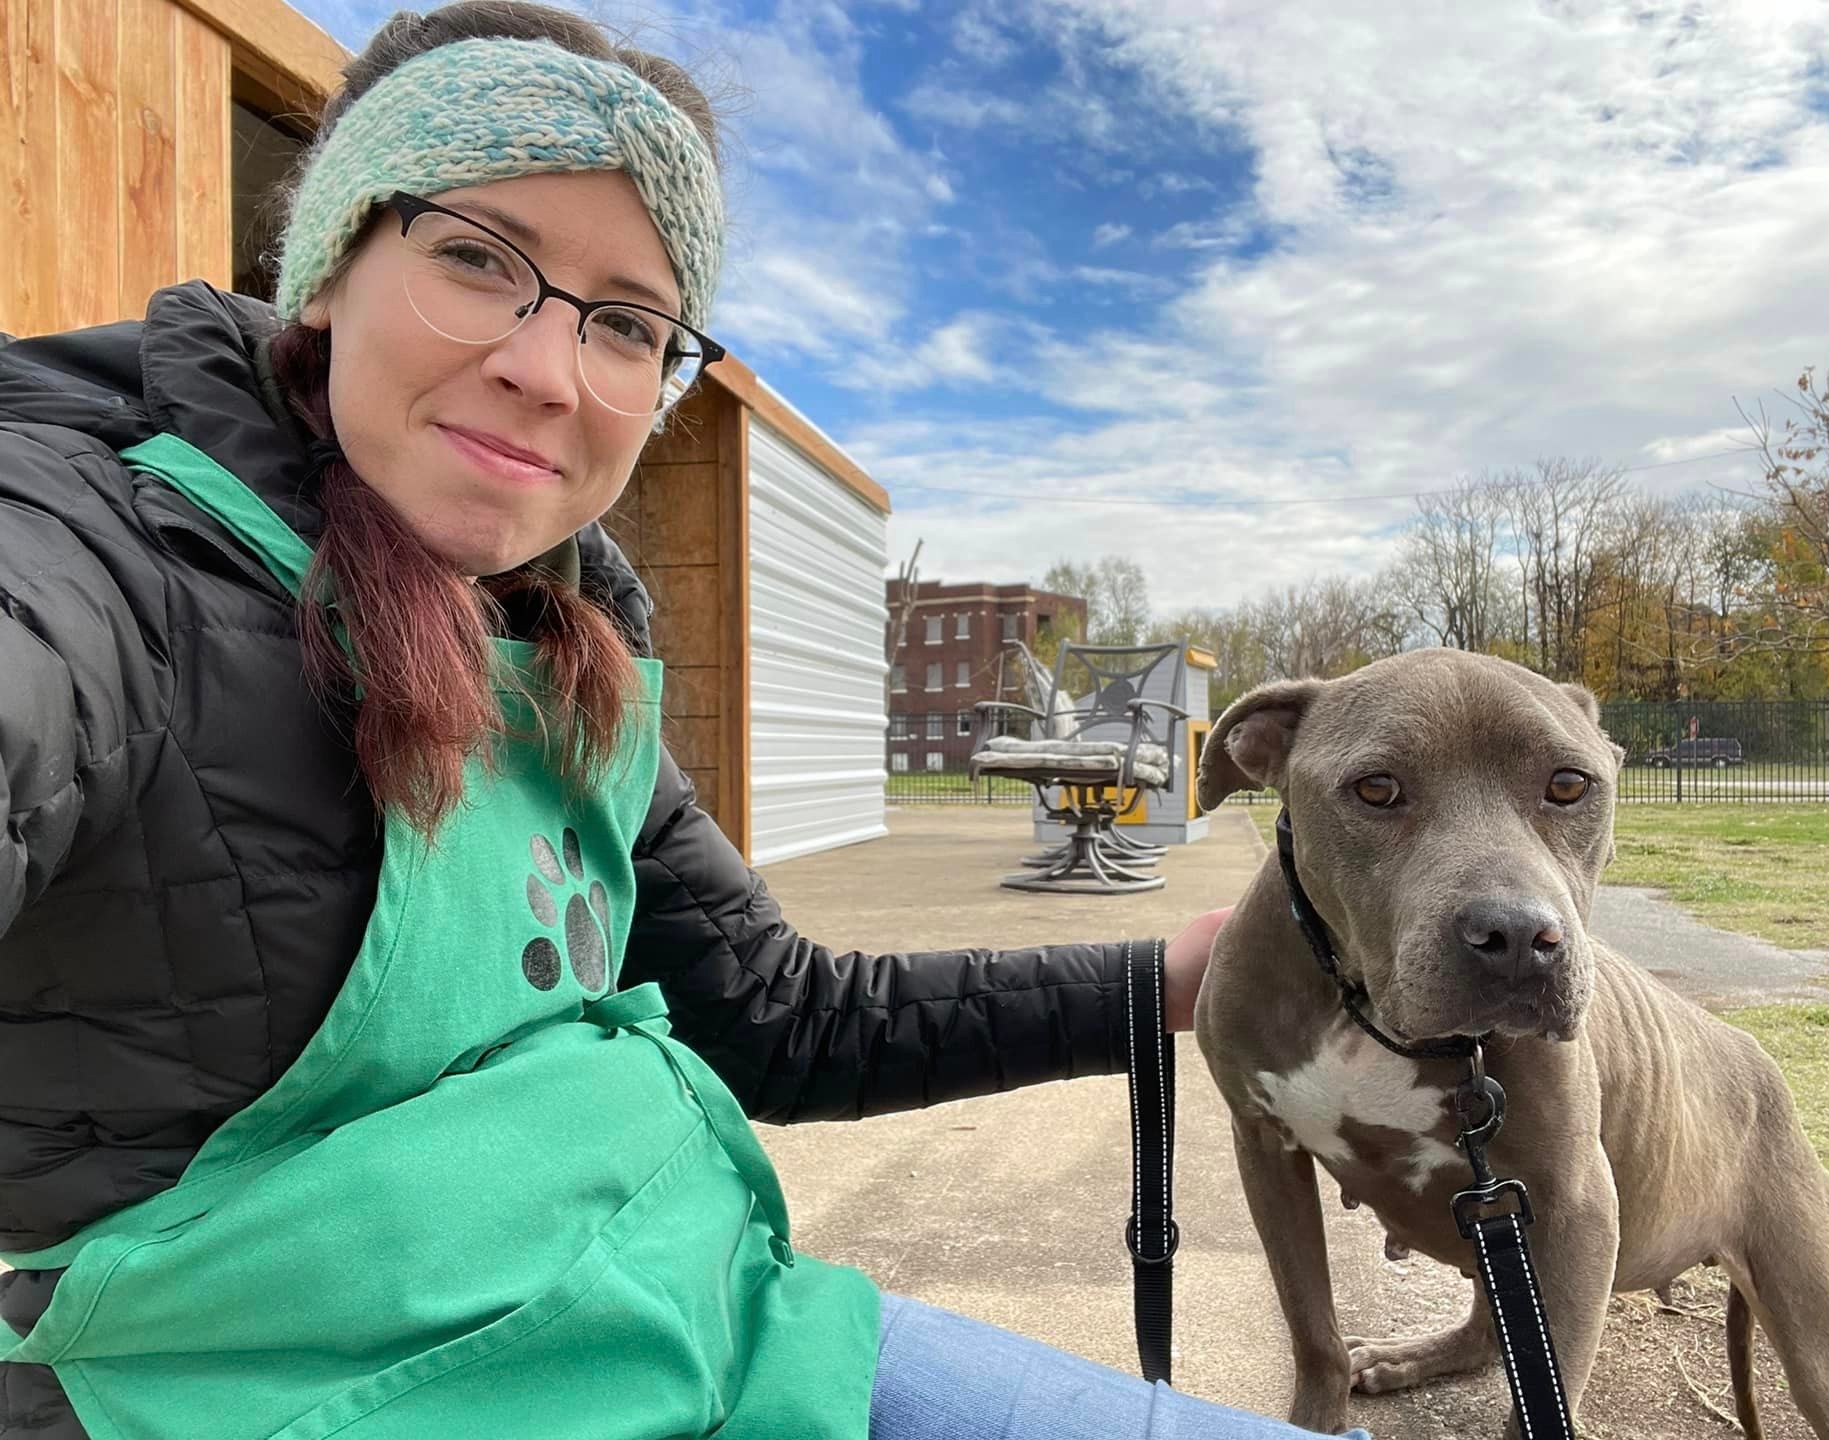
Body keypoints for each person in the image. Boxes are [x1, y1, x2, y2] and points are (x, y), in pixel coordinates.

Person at [0, 4, 1375, 1437]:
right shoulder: (103, 554)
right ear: (334, 267)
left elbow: (779, 1021)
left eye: (627, 324)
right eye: (478, 257)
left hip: (719, 1333)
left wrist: (1165, 977)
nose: (549, 369)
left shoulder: (563, 648)